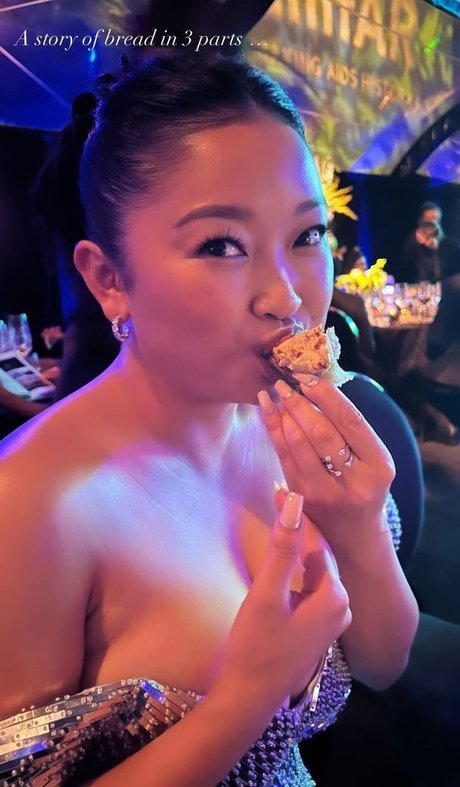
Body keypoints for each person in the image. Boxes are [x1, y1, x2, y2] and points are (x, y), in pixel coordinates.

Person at [0, 55, 418, 786]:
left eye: (307, 235)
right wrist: (247, 696)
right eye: (222, 245)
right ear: (108, 279)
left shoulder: (300, 426)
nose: (286, 298)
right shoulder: (31, 501)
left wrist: (360, 534)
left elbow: (384, 663)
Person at [396, 201, 460, 284]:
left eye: (434, 219)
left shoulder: (451, 245)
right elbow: (402, 271)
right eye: (427, 220)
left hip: (444, 289)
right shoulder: (411, 243)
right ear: (420, 221)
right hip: (418, 289)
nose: (431, 223)